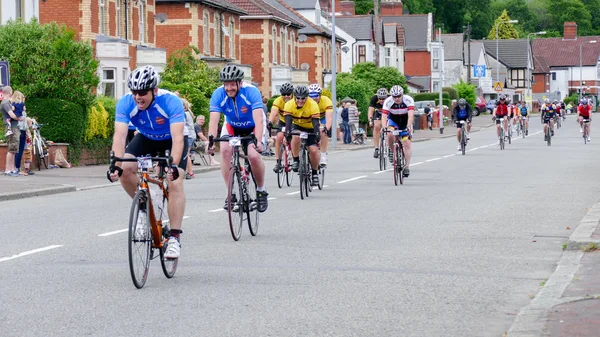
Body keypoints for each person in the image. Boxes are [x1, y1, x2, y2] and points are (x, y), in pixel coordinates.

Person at [108, 65, 187, 259]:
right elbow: (119, 137)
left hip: (171, 139)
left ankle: (175, 238)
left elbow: (178, 139)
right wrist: (115, 166)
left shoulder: (170, 101)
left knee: (175, 181)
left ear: (154, 91)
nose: (138, 97)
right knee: (125, 168)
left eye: (142, 92)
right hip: (146, 138)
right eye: (134, 92)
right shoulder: (126, 103)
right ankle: (145, 208)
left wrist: (173, 165)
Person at [207, 65, 269, 212]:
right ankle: (231, 194)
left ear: (240, 83)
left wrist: (259, 141)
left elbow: (259, 119)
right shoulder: (218, 94)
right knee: (224, 151)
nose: (229, 88)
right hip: (232, 126)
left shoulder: (251, 92)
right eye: (226, 84)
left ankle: (261, 190)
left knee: (253, 156)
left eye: (233, 84)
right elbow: (214, 121)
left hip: (252, 126)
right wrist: (210, 141)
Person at [283, 85, 321, 186]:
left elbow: (316, 124)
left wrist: (317, 135)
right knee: (295, 137)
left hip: (311, 127)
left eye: (303, 98)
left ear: (307, 97)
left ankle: (314, 173)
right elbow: (288, 123)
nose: (300, 100)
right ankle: (296, 160)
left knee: (313, 150)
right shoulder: (289, 105)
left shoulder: (313, 105)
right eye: (298, 98)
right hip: (298, 125)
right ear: (294, 97)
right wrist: (287, 134)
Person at [381, 85, 414, 178]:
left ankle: (407, 166)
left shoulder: (408, 100)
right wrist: (384, 127)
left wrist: (408, 126)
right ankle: (392, 151)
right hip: (393, 121)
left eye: (398, 96)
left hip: (405, 121)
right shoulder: (388, 101)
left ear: (402, 94)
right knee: (390, 134)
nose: (396, 98)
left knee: (407, 143)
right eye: (394, 97)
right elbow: (384, 117)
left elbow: (411, 116)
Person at [270, 82, 294, 173]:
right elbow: (273, 113)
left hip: (294, 122)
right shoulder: (278, 101)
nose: (286, 96)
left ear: (292, 94)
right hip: (283, 122)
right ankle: (278, 162)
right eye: (284, 94)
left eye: (288, 94)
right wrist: (270, 122)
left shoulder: (296, 100)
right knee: (279, 137)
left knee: (294, 138)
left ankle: (295, 157)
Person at [307, 83, 333, 167]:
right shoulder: (306, 101)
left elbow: (329, 118)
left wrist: (327, 128)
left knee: (323, 131)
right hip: (310, 118)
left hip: (322, 118)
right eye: (311, 96)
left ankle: (323, 155)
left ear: (320, 95)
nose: (314, 98)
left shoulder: (326, 101)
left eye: (316, 96)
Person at [2, 86, 21, 176]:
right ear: (9, 92)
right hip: (11, 128)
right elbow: (12, 115)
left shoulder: (8, 102)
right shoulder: (5, 103)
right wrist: (20, 118)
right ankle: (8, 170)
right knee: (11, 150)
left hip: (14, 127)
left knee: (13, 150)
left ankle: (12, 169)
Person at [368, 88, 389, 159]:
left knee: (390, 128)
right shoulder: (374, 98)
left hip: (388, 113)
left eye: (383, 98)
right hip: (379, 112)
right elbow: (370, 110)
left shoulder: (390, 98)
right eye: (380, 98)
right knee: (376, 126)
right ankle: (376, 148)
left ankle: (390, 146)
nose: (382, 100)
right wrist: (370, 120)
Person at [182, 98, 196, 179]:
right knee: (187, 154)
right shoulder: (189, 113)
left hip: (188, 135)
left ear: (184, 107)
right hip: (191, 135)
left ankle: (190, 172)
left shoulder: (185, 114)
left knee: (186, 154)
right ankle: (188, 171)